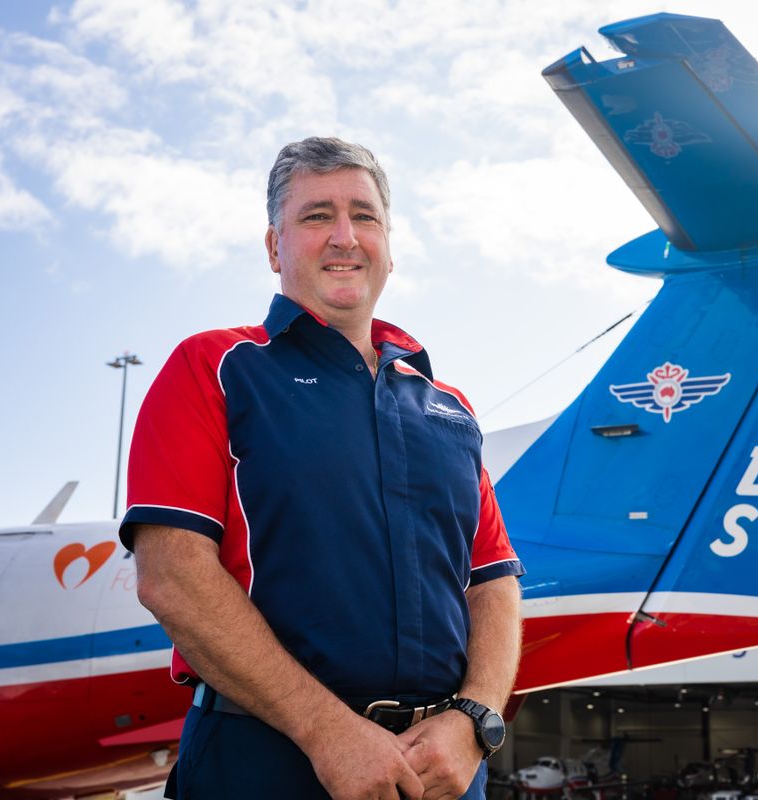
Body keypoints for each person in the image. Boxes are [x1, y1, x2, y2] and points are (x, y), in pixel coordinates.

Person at [119, 137, 524, 800]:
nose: (344, 236)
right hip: (263, 761)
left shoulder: (450, 408)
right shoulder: (215, 367)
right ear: (276, 247)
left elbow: (493, 586)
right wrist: (325, 731)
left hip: (442, 770)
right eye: (316, 217)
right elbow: (172, 576)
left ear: (388, 246)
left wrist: (475, 720)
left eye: (364, 217)